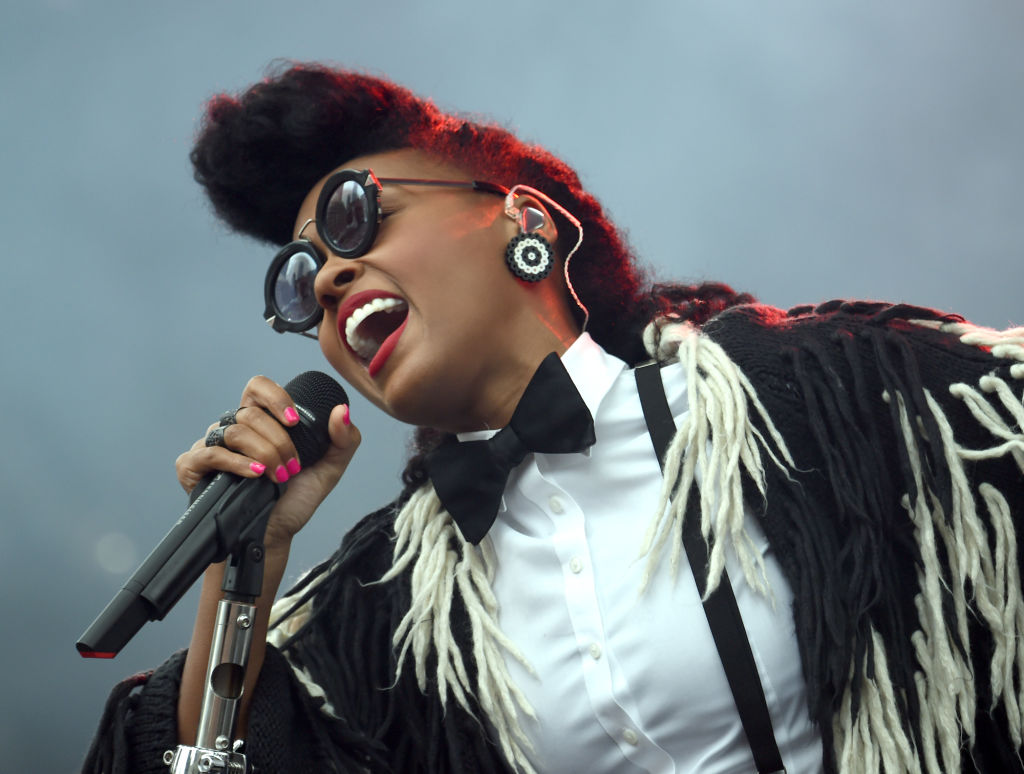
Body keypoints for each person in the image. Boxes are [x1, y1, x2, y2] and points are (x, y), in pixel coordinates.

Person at [84, 63, 1024, 774]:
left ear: (522, 218)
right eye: (296, 282)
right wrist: (247, 573)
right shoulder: (390, 611)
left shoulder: (808, 398)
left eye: (354, 215)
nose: (327, 277)